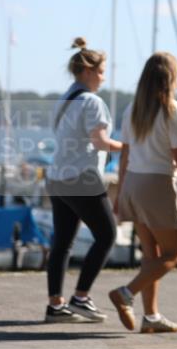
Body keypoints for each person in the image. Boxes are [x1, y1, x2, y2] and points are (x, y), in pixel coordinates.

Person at [109, 52, 177, 333]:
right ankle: (125, 293)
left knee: (151, 254)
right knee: (173, 254)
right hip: (157, 185)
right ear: (170, 78)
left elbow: (125, 155)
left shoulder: (132, 110)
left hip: (132, 184)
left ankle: (150, 317)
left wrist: (120, 193)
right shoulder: (173, 110)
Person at [45, 37, 123, 323]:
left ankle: (56, 305)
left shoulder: (64, 100)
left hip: (57, 178)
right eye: (101, 72)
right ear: (88, 71)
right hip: (81, 179)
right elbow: (100, 141)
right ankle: (81, 298)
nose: (103, 78)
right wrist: (129, 147)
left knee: (63, 242)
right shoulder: (92, 101)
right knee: (107, 235)